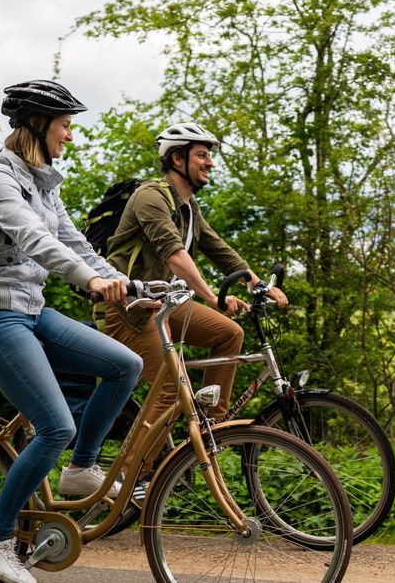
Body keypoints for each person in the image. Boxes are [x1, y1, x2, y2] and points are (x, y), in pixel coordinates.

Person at [0, 80, 143, 583]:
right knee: (55, 425)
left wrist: (129, 282)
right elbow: (34, 240)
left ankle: (81, 469)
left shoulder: (42, 183)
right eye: (65, 125)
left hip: (30, 312)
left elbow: (74, 242)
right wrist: (92, 282)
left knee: (125, 364)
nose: (70, 136)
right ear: (37, 124)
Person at [104, 121, 288, 482]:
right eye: (202, 155)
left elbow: (219, 250)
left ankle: (210, 428)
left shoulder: (189, 209)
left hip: (166, 306)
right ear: (177, 158)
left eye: (209, 156)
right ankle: (127, 479)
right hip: (130, 309)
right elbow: (174, 255)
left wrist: (258, 284)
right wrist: (212, 297)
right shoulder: (150, 196)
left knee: (229, 334)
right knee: (171, 386)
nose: (210, 163)